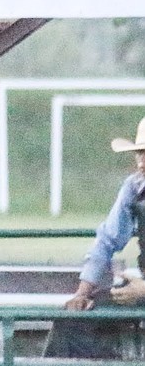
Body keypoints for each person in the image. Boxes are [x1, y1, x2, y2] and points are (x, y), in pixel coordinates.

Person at [64, 116, 145, 312]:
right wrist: (81, 295)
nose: (141, 164)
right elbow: (107, 240)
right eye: (139, 154)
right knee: (78, 319)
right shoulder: (134, 188)